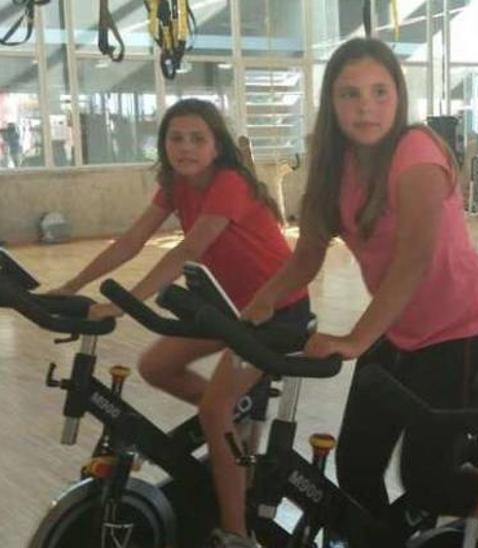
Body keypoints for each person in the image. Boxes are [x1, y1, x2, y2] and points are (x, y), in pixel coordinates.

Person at [237, 37, 478, 548]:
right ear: (332, 104)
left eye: (379, 92)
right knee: (356, 466)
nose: (365, 106)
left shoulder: (416, 150)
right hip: (396, 328)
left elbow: (416, 258)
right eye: (350, 94)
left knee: (428, 478)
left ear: (398, 97)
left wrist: (354, 338)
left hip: (460, 330)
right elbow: (307, 255)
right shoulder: (332, 165)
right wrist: (259, 302)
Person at [49, 98, 310, 548]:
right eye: (176, 138)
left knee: (213, 409)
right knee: (156, 367)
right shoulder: (174, 184)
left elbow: (187, 251)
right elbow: (131, 240)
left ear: (216, 147)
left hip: (277, 312)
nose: (185, 148)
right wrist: (72, 285)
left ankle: (236, 533)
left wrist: (121, 305)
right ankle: (235, 427)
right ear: (164, 143)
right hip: (232, 306)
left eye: (197, 139)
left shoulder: (228, 182)